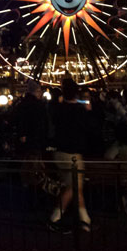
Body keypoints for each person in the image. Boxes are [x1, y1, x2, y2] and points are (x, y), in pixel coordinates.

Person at [49, 79, 91, 233]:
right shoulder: (80, 111)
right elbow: (88, 129)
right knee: (74, 186)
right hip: (72, 155)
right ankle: (55, 217)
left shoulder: (58, 109)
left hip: (59, 152)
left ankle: (85, 219)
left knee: (75, 187)